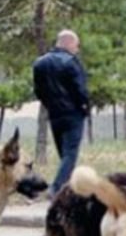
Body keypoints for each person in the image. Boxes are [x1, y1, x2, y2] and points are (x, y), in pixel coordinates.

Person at [32, 30, 90, 196]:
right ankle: (57, 188)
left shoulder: (39, 64)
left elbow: (38, 91)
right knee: (70, 154)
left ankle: (67, 190)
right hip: (73, 114)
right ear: (69, 43)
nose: (77, 50)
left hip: (54, 115)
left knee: (64, 156)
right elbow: (81, 90)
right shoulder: (71, 62)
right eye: (76, 46)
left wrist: (50, 105)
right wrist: (84, 106)